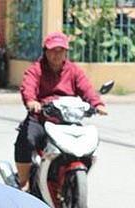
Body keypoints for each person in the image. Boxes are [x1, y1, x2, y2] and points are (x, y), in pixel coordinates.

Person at [15, 31, 107, 189]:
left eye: (61, 51)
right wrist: (32, 101)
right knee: (27, 139)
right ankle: (23, 181)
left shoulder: (74, 71)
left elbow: (86, 88)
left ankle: (72, 179)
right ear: (45, 51)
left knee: (87, 146)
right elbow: (28, 87)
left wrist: (97, 104)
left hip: (67, 119)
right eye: (53, 51)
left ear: (66, 52)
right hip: (42, 117)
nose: (57, 55)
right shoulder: (36, 70)